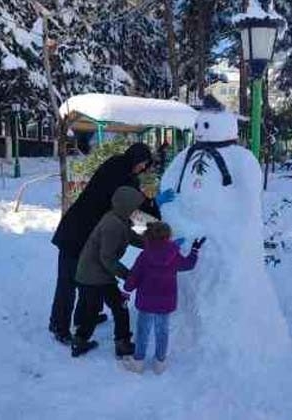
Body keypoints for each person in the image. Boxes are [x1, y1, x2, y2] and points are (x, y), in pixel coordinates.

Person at [49, 143, 175, 345]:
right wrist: (155, 214)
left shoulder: (120, 167)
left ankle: (85, 317)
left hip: (90, 232)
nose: (143, 169)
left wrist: (152, 236)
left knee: (89, 276)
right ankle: (59, 325)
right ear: (135, 158)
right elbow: (134, 211)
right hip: (76, 233)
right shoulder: (120, 173)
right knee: (69, 281)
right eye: (142, 164)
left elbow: (131, 212)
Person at [71, 186, 147, 358]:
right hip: (94, 274)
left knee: (91, 311)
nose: (137, 210)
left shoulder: (119, 219)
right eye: (135, 206)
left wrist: (154, 244)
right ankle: (122, 344)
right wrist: (129, 276)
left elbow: (131, 236)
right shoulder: (112, 225)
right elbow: (107, 258)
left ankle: (80, 341)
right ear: (126, 206)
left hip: (93, 273)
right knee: (120, 307)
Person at [121, 222, 205, 374]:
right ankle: (160, 363)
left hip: (146, 301)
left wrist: (126, 291)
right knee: (162, 332)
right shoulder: (173, 254)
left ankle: (138, 362)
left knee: (143, 332)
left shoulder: (145, 255)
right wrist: (194, 250)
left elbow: (134, 275)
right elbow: (188, 265)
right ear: (167, 236)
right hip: (165, 302)